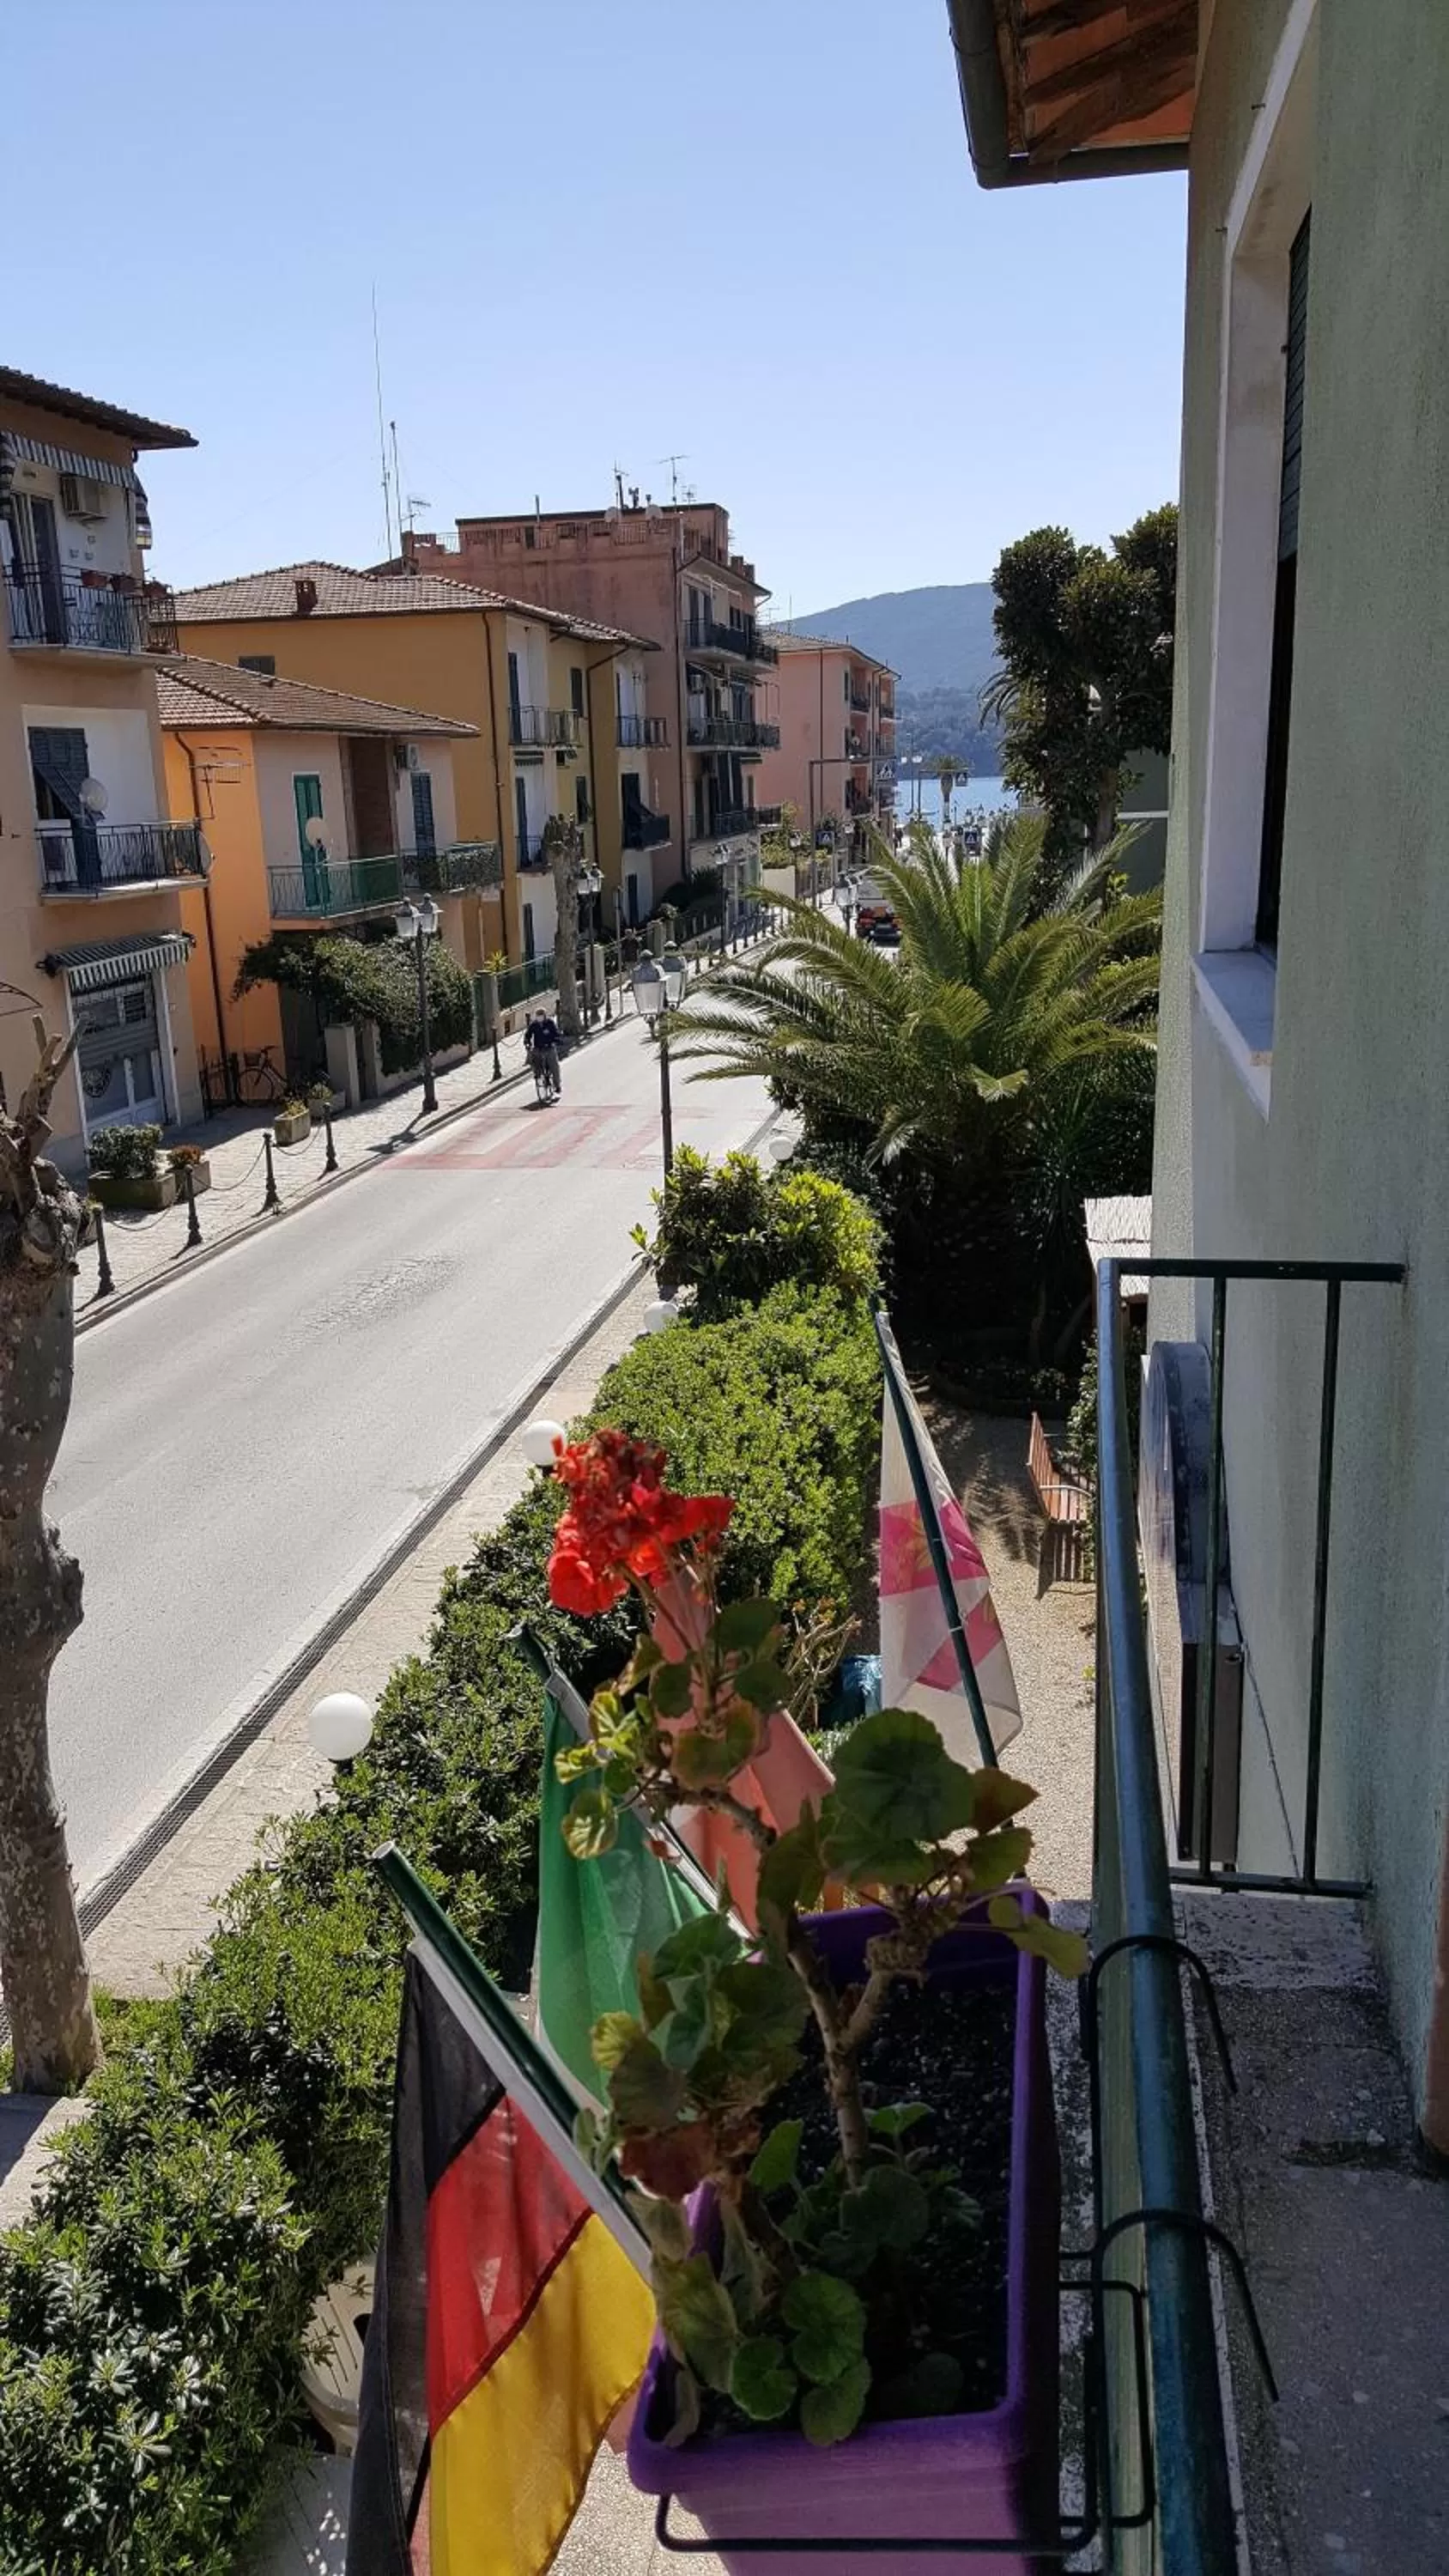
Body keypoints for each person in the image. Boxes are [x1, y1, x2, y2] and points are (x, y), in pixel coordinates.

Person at [524, 1006, 561, 1099]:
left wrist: (556, 1040)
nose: (539, 1017)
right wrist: (527, 1043)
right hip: (538, 1048)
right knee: (535, 1061)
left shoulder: (550, 1023)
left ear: (545, 1016)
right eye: (538, 1015)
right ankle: (538, 1075)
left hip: (549, 1047)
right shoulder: (534, 1025)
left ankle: (557, 1087)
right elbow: (528, 1035)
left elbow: (556, 1033)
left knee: (554, 1067)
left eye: (541, 1015)